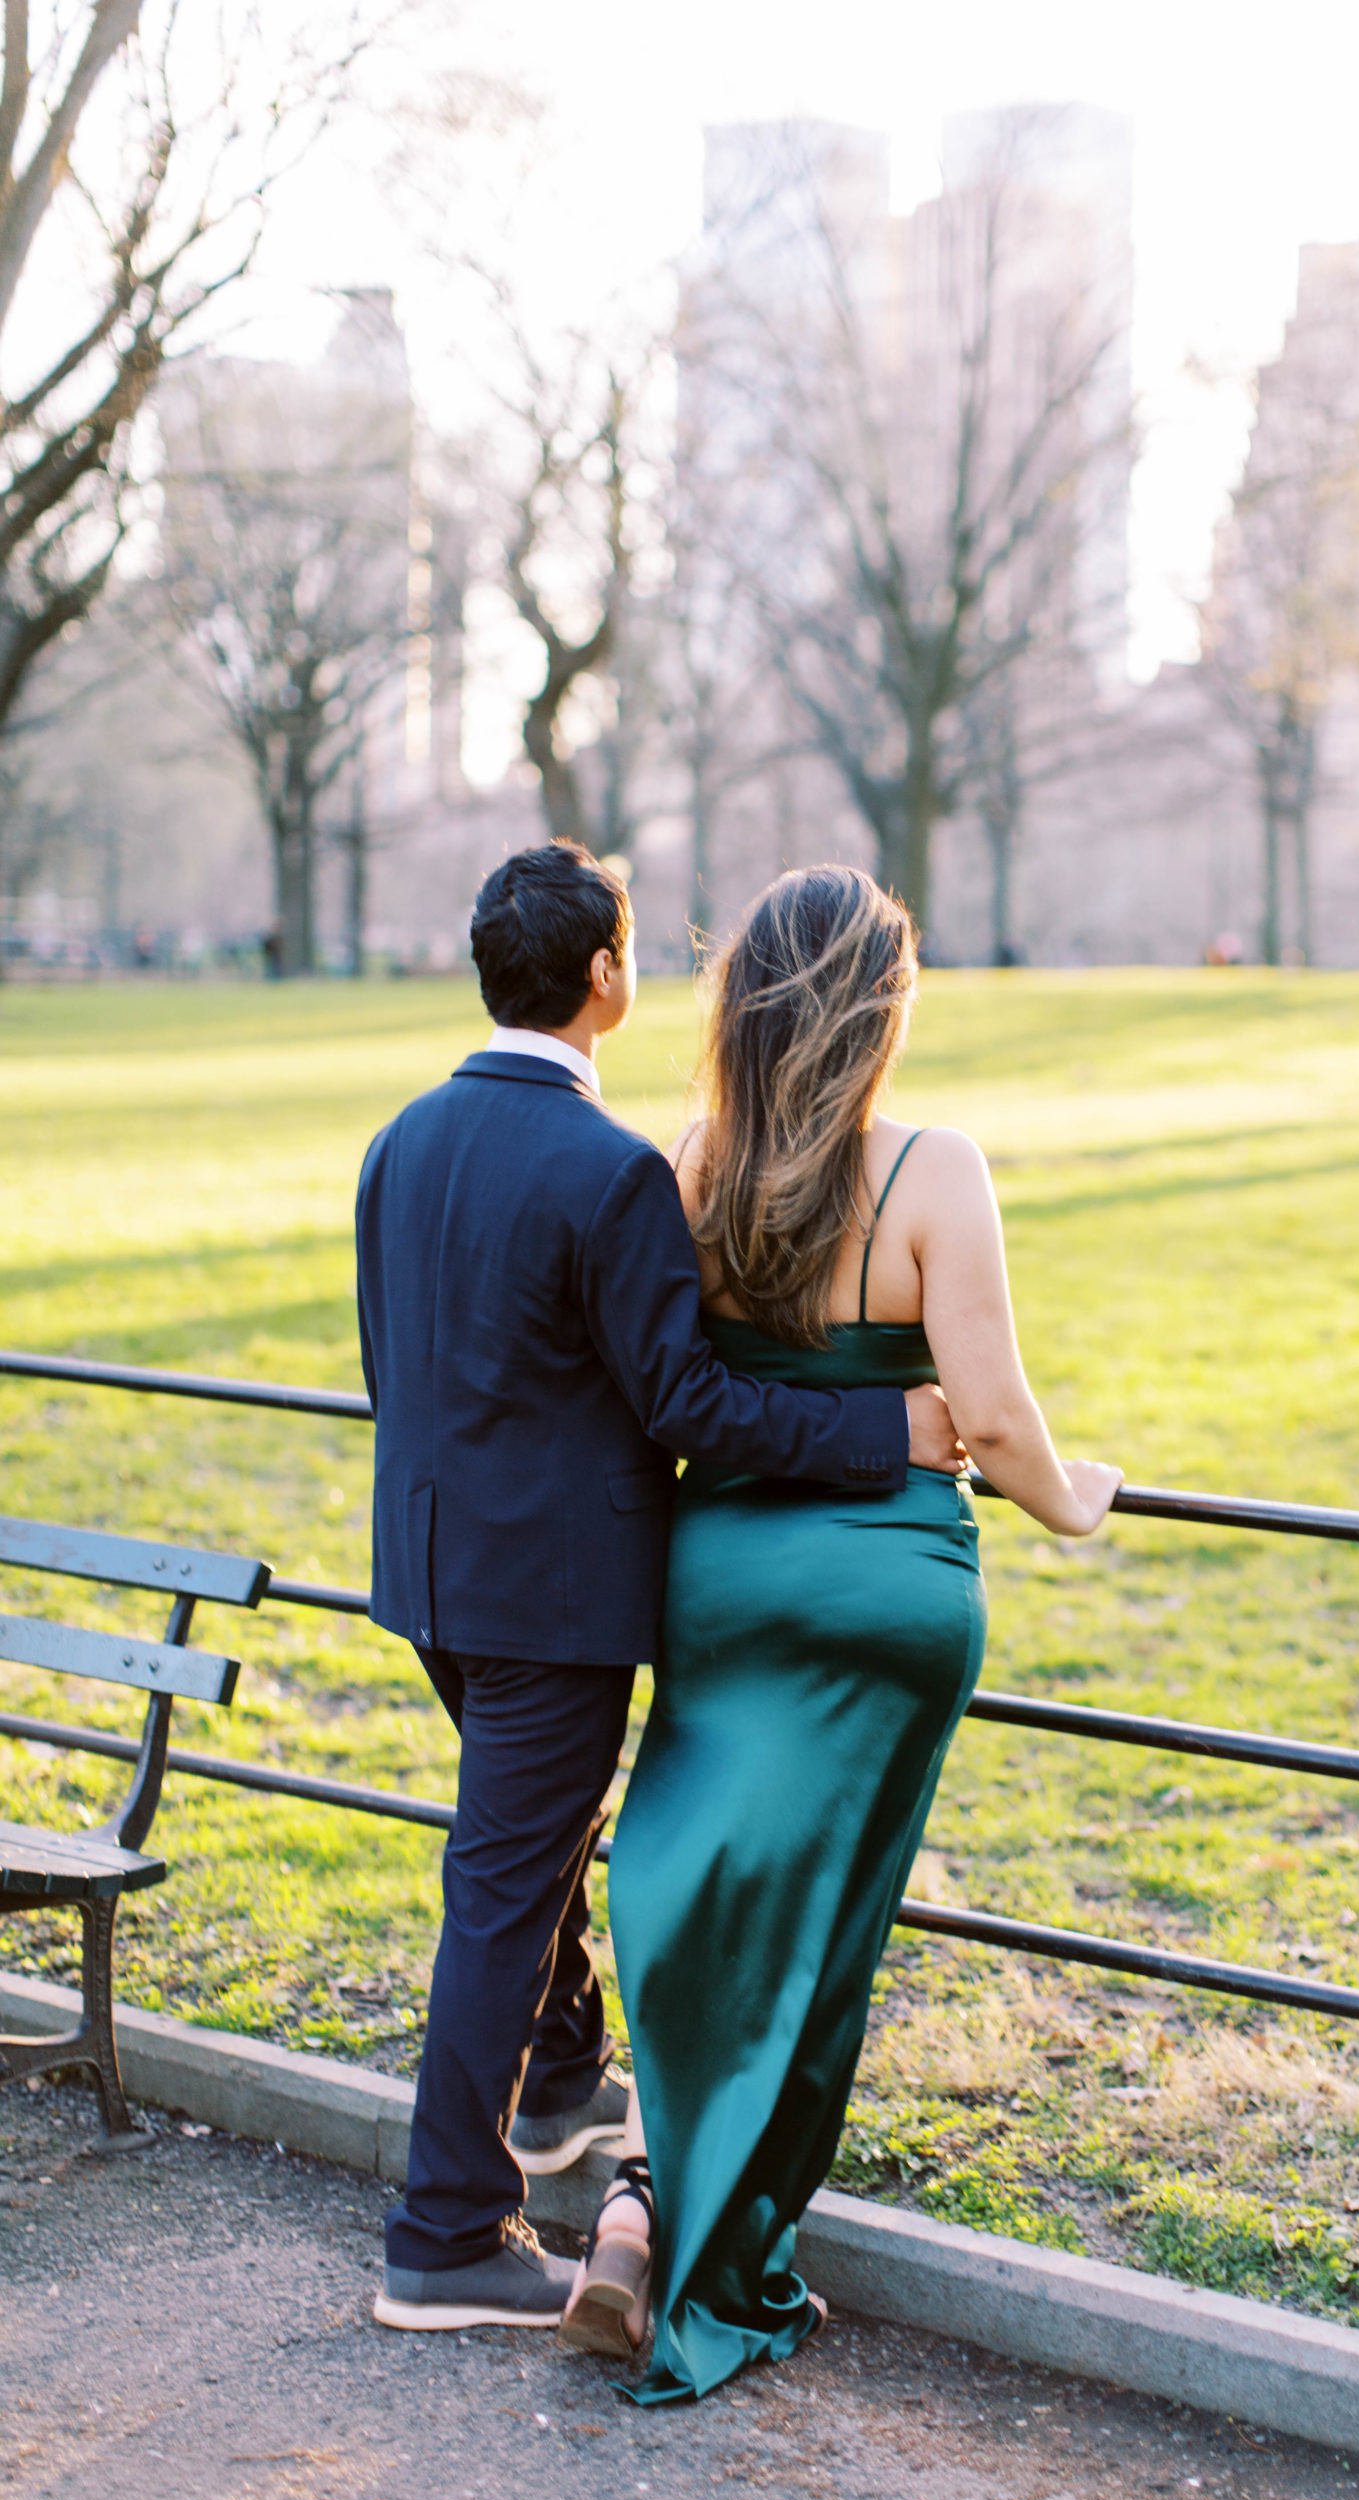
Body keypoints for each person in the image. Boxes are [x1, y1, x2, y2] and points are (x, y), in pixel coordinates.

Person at [356, 842, 964, 2332]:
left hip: (428, 1573)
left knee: (530, 1848)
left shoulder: (400, 1141)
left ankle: (562, 2094)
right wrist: (883, 1426)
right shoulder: (612, 1171)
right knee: (505, 1889)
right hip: (553, 1602)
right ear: (608, 979)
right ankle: (445, 2229)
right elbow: (692, 1401)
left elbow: (397, 1364)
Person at [561, 865, 1123, 2400]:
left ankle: (644, 2206)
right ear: (877, 1010)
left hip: (721, 1584)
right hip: (887, 1597)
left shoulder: (692, 1169)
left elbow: (668, 1394)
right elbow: (996, 1419)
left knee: (693, 1893)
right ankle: (706, 2255)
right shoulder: (934, 1171)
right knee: (815, 1938)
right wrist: (1076, 1505)